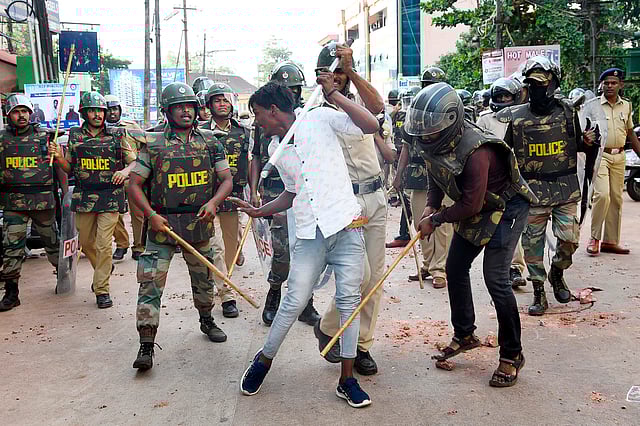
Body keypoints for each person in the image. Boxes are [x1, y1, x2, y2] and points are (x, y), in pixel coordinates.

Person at [238, 80, 379, 407]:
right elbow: (292, 192)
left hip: (346, 226)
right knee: (294, 300)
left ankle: (347, 379)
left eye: (258, 113)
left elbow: (370, 123)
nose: (257, 121)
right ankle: (264, 359)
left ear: (273, 109)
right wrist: (260, 210)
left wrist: (335, 95)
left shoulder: (320, 117)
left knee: (349, 301)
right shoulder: (276, 147)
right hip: (309, 233)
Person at [411, 82, 535, 387]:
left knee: (496, 279)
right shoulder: (432, 142)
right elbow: (436, 173)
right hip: (478, 204)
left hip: (506, 206)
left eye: (431, 132)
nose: (425, 137)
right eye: (422, 132)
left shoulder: (476, 150)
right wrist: (430, 205)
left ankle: (512, 354)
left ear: (452, 122)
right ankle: (465, 333)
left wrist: (436, 219)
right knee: (455, 267)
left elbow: (470, 204)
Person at [127, 82, 234, 370]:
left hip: (198, 222)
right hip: (162, 224)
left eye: (189, 106)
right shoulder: (153, 143)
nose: (185, 111)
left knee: (203, 279)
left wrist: (213, 203)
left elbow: (226, 179)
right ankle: (146, 344)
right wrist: (150, 215)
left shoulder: (212, 141)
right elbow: (135, 184)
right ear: (167, 111)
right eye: (178, 107)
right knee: (150, 283)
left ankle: (207, 319)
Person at [312, 43, 395, 376]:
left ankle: (361, 345)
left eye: (342, 71)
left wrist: (352, 71)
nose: (339, 77)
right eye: (333, 72)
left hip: (376, 197)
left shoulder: (360, 98)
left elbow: (376, 109)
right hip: (347, 201)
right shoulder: (317, 107)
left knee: (375, 278)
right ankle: (330, 326)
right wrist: (330, 91)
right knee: (358, 276)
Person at [497, 56, 596, 316]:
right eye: (532, 84)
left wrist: (590, 141)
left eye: (542, 84)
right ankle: (539, 290)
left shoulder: (567, 112)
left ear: (553, 83)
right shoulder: (517, 119)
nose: (537, 90)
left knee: (569, 241)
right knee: (532, 247)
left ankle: (557, 273)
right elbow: (507, 155)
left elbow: (578, 146)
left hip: (564, 188)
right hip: (532, 192)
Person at [248, 61, 321, 326]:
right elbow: (255, 157)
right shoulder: (262, 121)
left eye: (294, 88)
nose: (290, 92)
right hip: (276, 192)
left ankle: (306, 302)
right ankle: (275, 293)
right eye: (285, 88)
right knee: (281, 250)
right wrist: (255, 189)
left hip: (304, 193)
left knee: (308, 247)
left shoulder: (309, 117)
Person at [50, 91, 138, 309]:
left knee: (103, 243)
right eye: (92, 110)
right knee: (87, 242)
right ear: (84, 113)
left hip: (110, 195)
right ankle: (103, 267)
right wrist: (59, 157)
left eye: (100, 110)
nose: (97, 115)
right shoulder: (75, 136)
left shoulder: (118, 134)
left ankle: (102, 289)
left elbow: (135, 162)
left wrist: (126, 171)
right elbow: (70, 167)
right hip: (84, 195)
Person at [0, 95, 63, 311]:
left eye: (25, 111)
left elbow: (60, 168)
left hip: (43, 202)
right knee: (11, 248)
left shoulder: (46, 137)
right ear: (8, 114)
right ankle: (11, 292)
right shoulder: (1, 139)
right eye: (17, 112)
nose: (22, 116)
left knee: (53, 244)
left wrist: (63, 194)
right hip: (12, 202)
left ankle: (64, 280)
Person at [393, 68, 452, 289]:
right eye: (426, 84)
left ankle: (441, 268)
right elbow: (406, 149)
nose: (429, 88)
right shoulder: (413, 113)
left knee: (443, 225)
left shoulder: (450, 111)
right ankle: (428, 263)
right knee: (421, 222)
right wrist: (398, 175)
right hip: (418, 177)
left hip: (444, 175)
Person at [201, 82, 247, 318]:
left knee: (231, 247)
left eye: (225, 100)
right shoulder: (198, 132)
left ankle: (224, 279)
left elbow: (250, 162)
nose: (222, 104)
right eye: (217, 100)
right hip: (206, 197)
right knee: (215, 245)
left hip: (233, 196)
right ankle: (226, 294)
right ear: (209, 105)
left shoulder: (243, 131)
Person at [476, 77, 527, 288]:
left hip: (520, 177)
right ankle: (501, 268)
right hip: (494, 180)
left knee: (517, 225)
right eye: (500, 96)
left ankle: (515, 267)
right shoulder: (485, 120)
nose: (504, 100)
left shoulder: (524, 117)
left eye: (508, 96)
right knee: (499, 224)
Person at [587, 68, 640, 255]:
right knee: (602, 195)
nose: (610, 86)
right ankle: (594, 238)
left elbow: (630, 132)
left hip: (620, 157)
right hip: (600, 155)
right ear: (602, 85)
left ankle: (610, 241)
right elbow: (584, 130)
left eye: (614, 83)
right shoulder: (593, 105)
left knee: (617, 199)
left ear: (620, 85)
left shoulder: (626, 105)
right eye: (606, 83)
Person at [104, 94, 147, 262]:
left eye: (115, 109)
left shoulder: (131, 126)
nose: (112, 113)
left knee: (138, 213)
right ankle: (122, 244)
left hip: (133, 175)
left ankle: (139, 246)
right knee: (114, 213)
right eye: (108, 110)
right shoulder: (100, 129)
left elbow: (144, 148)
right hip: (110, 177)